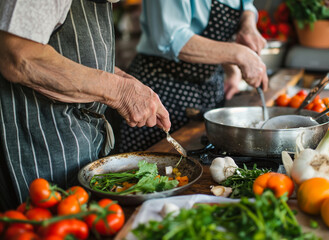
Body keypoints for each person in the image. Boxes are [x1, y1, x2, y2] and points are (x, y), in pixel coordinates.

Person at [0, 0, 171, 211]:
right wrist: (119, 91)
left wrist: (122, 79)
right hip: (38, 139)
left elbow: (69, 52)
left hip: (78, 134)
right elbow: (18, 55)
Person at [108, 0, 268, 153]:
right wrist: (239, 54)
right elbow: (171, 38)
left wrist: (248, 25)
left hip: (210, 87)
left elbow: (246, 4)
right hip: (162, 90)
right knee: (153, 168)